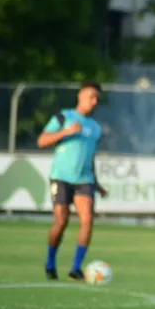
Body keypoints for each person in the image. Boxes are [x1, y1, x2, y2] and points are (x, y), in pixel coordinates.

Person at [37, 81, 108, 281]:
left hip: (84, 179)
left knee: (88, 220)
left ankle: (76, 267)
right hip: (61, 177)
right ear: (80, 96)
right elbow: (42, 141)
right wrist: (66, 132)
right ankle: (50, 262)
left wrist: (97, 183)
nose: (94, 102)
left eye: (97, 99)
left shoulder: (95, 128)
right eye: (91, 97)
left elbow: (90, 156)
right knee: (61, 220)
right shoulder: (63, 117)